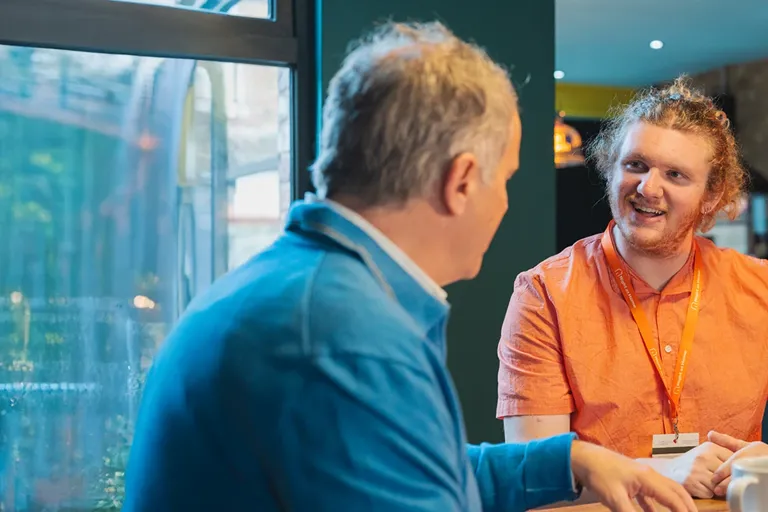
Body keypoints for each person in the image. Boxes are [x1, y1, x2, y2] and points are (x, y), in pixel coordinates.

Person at [123, 21, 695, 512]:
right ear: (462, 181)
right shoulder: (342, 335)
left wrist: (570, 458)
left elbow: (416, 467)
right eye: (506, 179)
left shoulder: (303, 291)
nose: (504, 202)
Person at [497, 76, 768, 499]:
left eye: (675, 174)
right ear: (611, 169)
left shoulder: (760, 288)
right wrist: (658, 472)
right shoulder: (545, 294)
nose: (648, 187)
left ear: (712, 196)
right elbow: (532, 476)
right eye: (635, 165)